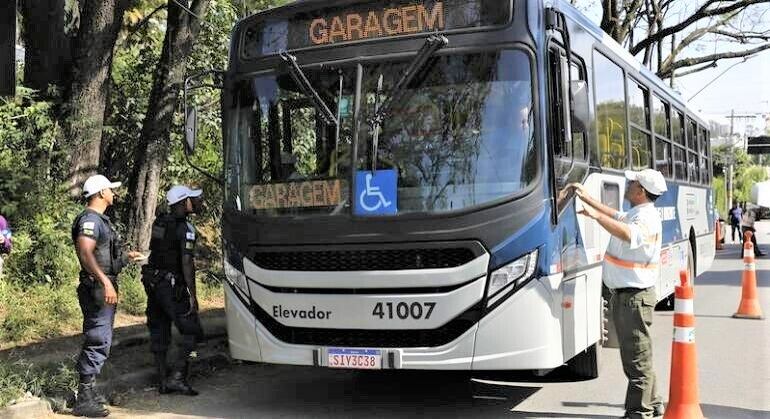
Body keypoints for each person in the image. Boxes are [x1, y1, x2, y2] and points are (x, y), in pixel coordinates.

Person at [568, 169, 667, 419]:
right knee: (639, 354)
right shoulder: (638, 213)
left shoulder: (645, 219)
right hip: (630, 296)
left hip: (634, 298)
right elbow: (615, 215)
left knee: (636, 359)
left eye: (632, 182)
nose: (628, 184)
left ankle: (639, 412)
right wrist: (587, 199)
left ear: (640, 191)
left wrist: (594, 216)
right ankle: (654, 403)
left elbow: (627, 233)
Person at [71, 175, 144, 417]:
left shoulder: (100, 220)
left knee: (102, 337)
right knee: (98, 338)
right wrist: (104, 281)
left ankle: (88, 392)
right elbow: (85, 252)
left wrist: (126, 258)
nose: (114, 193)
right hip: (98, 288)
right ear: (101, 193)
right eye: (110, 190)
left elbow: (105, 257)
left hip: (103, 285)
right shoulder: (90, 220)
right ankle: (84, 398)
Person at [141, 185, 205, 396]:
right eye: (192, 199)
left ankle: (162, 381)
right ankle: (178, 376)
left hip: (153, 284)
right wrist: (193, 295)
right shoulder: (186, 229)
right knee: (192, 333)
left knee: (159, 331)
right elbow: (186, 262)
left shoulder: (160, 222)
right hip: (171, 287)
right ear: (183, 203)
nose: (197, 202)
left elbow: (156, 250)